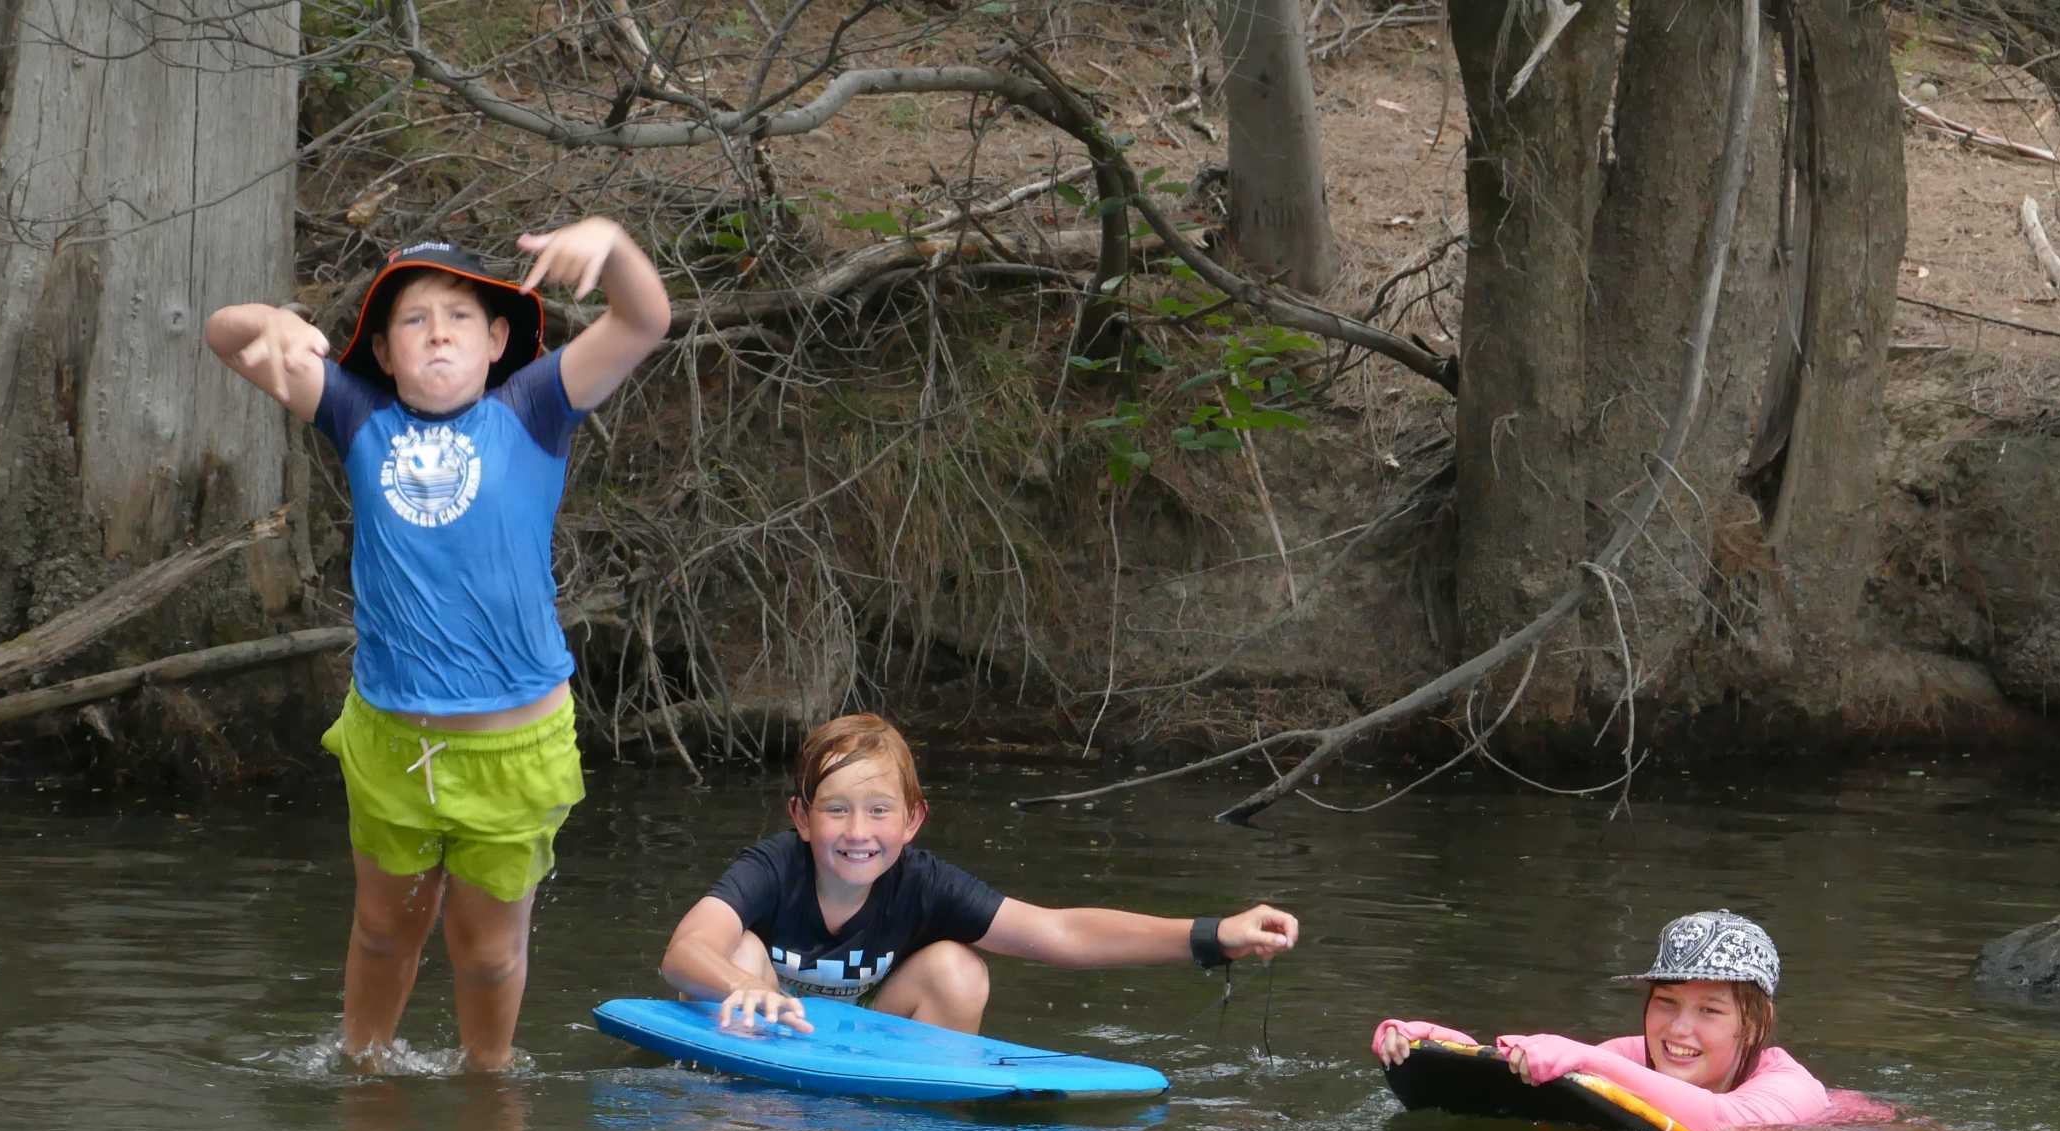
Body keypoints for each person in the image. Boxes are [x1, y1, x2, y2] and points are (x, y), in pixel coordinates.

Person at [204, 221, 671, 1071]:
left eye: (459, 316)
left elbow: (643, 321)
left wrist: (612, 245)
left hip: (513, 745)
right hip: (392, 741)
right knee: (383, 933)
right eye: (414, 321)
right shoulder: (356, 413)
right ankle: (363, 1073)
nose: (439, 331)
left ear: (498, 340)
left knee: (487, 953)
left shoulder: (535, 406)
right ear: (382, 352)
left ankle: (489, 1089)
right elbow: (223, 338)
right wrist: (264, 318)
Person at [659, 713, 1300, 1034]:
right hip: (751, 1050)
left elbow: (1061, 934)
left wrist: (1215, 935)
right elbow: (683, 952)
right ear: (802, 818)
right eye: (837, 810)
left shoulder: (924, 883)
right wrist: (745, 985)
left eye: (879, 811)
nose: (858, 832)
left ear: (912, 822)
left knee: (957, 967)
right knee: (737, 949)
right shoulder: (772, 868)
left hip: (855, 1050)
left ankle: (901, 1129)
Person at [1372, 909, 1833, 1131]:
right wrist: (1434, 1044)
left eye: (1709, 1010)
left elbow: (1723, 1124)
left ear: (1754, 1024)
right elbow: (1524, 1085)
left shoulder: (1793, 1086)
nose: (1677, 1030)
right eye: (1666, 1002)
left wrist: (1588, 1058)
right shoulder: (1630, 1055)